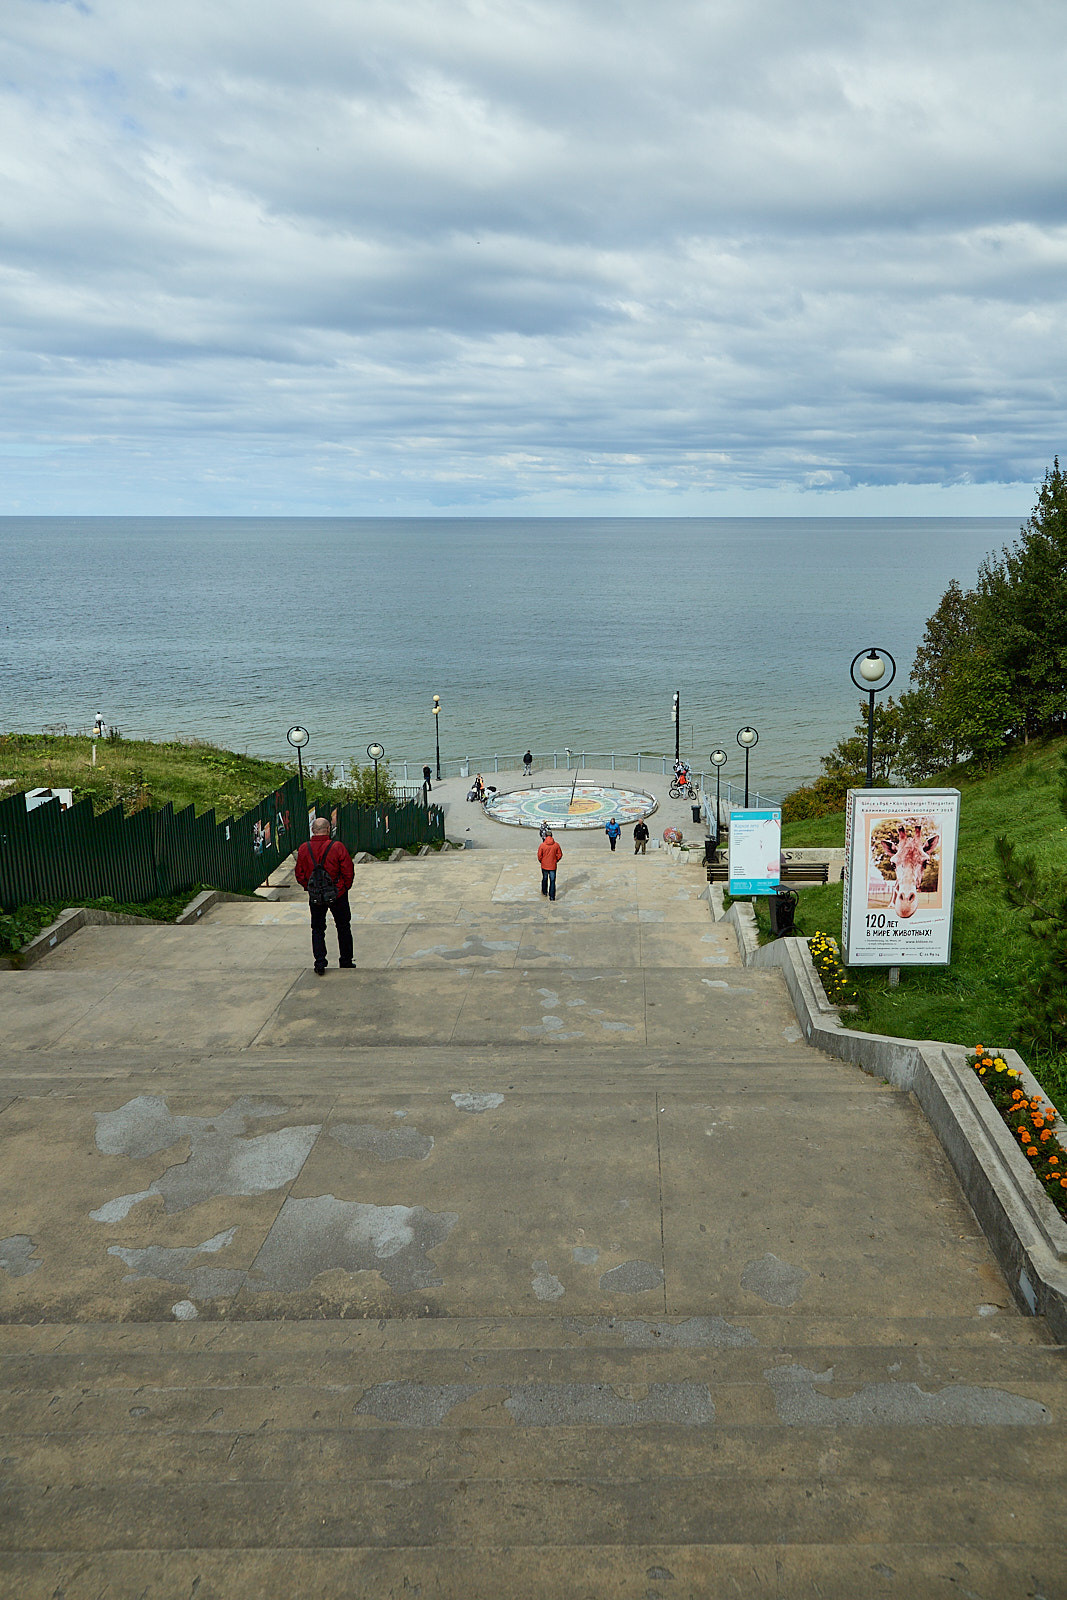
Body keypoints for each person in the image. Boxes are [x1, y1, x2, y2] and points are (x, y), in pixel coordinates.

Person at [294, 817, 355, 975]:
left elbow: (299, 874)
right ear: (328, 829)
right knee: (343, 927)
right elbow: (348, 870)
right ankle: (346, 961)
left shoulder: (304, 848)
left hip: (315, 895)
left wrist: (310, 888)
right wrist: (342, 888)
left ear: (313, 830)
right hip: (337, 894)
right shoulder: (337, 847)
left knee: (318, 928)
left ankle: (320, 962)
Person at [537, 829, 562, 900]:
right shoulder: (556, 845)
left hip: (544, 865)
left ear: (545, 836)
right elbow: (560, 854)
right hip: (553, 866)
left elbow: (539, 855)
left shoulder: (542, 845)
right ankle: (552, 896)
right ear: (552, 836)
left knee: (545, 878)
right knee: (552, 880)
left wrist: (542, 861)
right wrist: (556, 860)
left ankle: (544, 891)